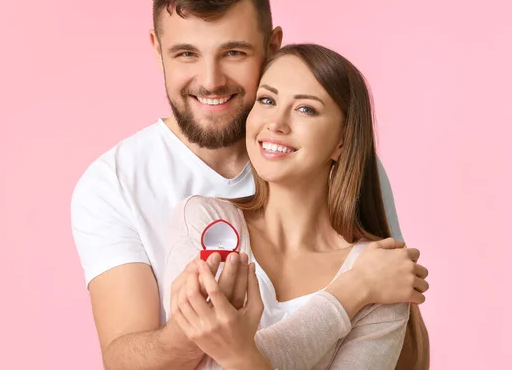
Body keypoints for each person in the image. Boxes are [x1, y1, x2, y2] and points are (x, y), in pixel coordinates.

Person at [70, 0, 430, 369]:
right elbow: (125, 362)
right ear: (157, 51)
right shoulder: (117, 184)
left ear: (272, 47)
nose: (210, 81)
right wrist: (350, 294)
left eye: (234, 53)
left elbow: (403, 337)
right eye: (186, 53)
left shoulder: (345, 168)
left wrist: (230, 344)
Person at [162, 44, 430, 370]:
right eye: (267, 100)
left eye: (305, 109)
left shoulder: (383, 274)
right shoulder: (208, 224)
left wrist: (236, 354)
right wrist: (350, 293)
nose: (276, 122)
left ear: (342, 142)